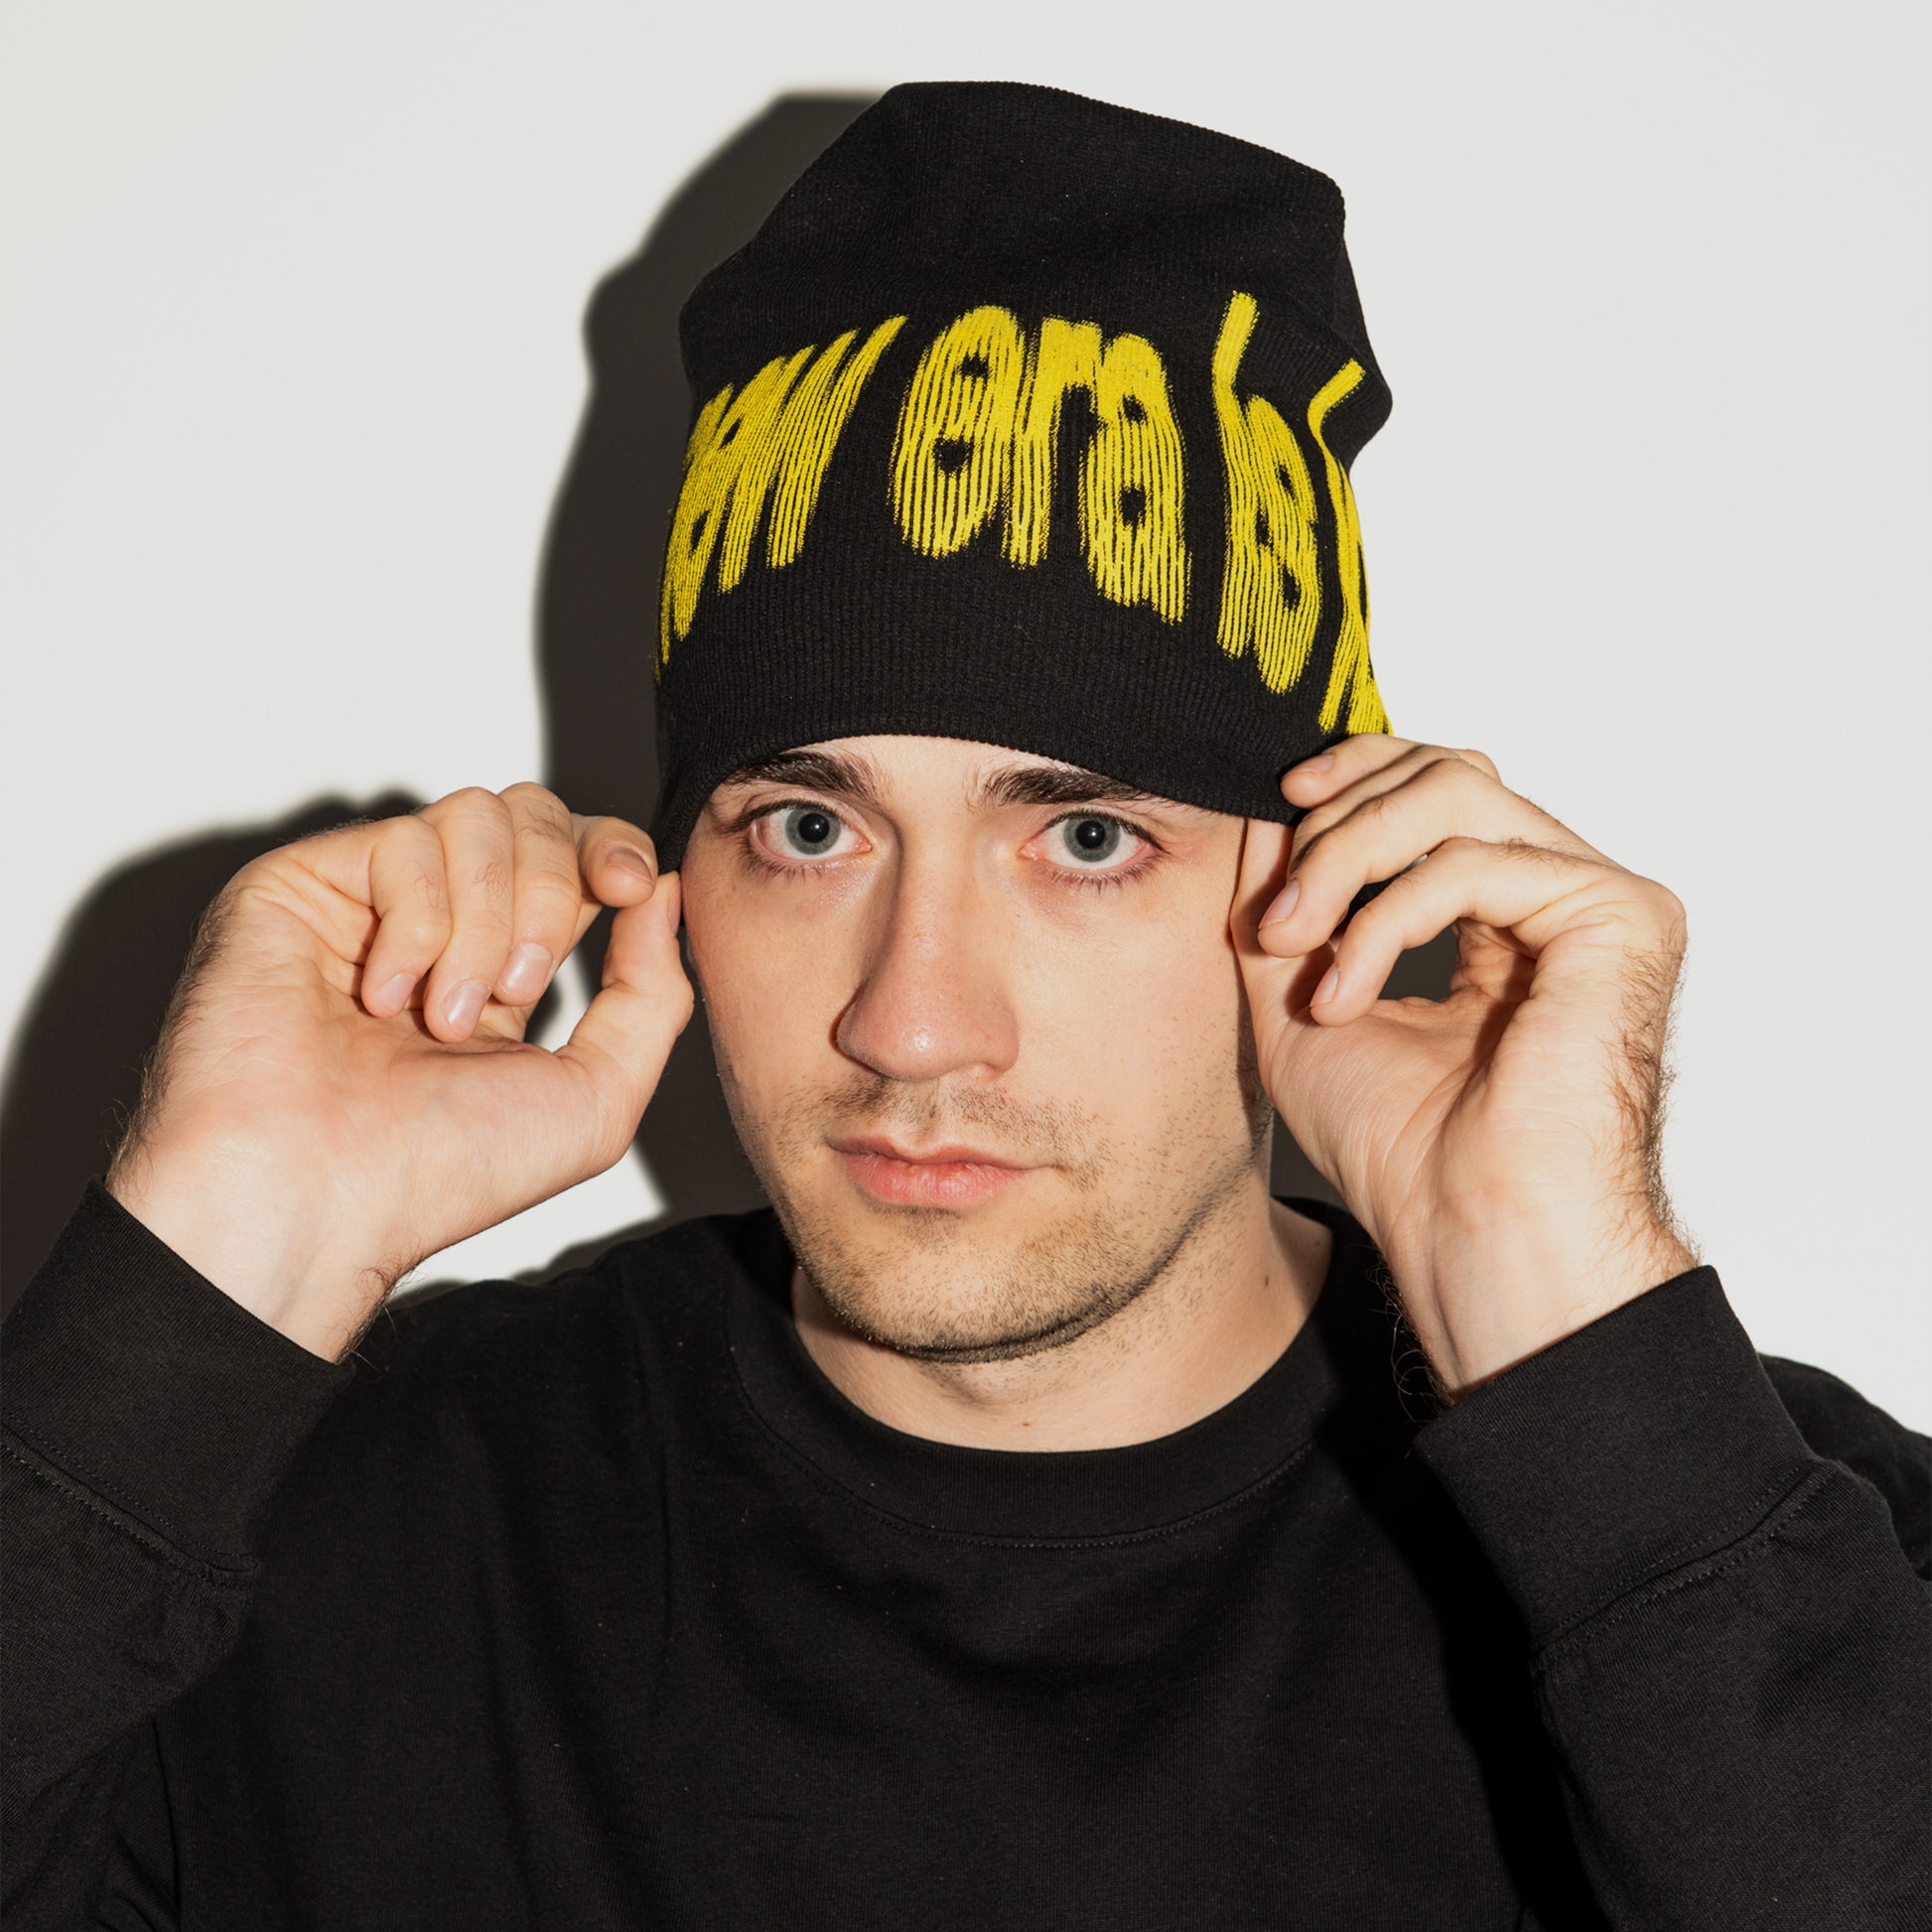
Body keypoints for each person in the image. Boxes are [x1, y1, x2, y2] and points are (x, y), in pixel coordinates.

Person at [4, 81, 1925, 1931]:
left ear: (1315, 873)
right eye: (807, 827)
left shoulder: (1749, 1552)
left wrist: (1565, 1317)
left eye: (1084, 836)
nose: (910, 1025)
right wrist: (216, 1253)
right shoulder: (314, 1524)